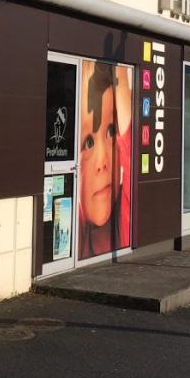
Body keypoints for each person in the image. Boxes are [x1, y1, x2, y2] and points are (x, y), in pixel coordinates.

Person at [78, 60, 132, 258]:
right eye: (88, 143)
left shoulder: (124, 224)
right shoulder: (75, 232)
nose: (103, 162)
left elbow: (131, 152)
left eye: (111, 131)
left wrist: (122, 78)